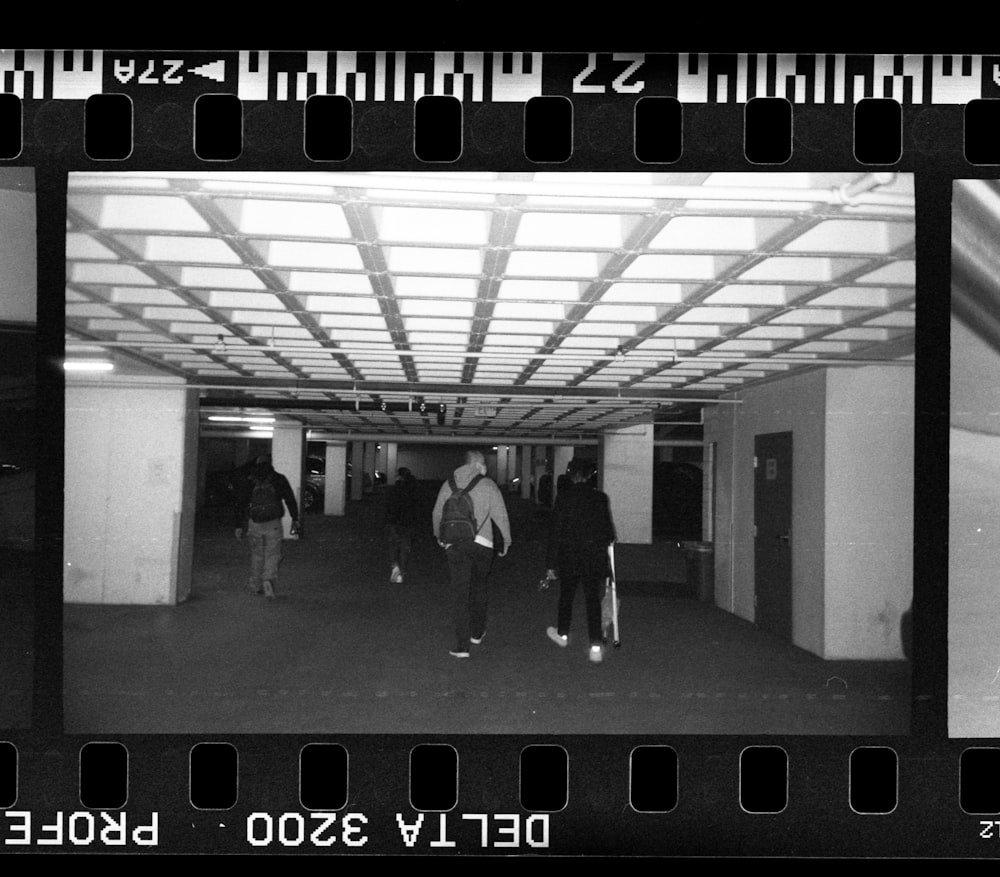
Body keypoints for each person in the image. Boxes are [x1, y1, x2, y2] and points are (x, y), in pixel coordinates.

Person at [432, 450, 512, 658]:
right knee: (479, 587)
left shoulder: (448, 485)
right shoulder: (488, 485)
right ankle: (477, 633)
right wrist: (506, 541)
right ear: (477, 464)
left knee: (460, 593)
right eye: (484, 463)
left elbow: (437, 513)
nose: (486, 466)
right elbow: (500, 515)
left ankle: (462, 646)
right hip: (483, 544)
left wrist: (440, 537)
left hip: (455, 544)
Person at [543, 457, 616, 663]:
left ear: (571, 475)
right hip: (593, 558)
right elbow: (609, 533)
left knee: (566, 597)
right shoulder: (600, 498)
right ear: (589, 475)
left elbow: (555, 533)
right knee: (592, 600)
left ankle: (563, 634)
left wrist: (550, 564)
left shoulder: (563, 498)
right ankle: (595, 645)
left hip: (569, 557)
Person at [233, 455, 300, 599]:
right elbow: (290, 499)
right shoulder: (278, 479)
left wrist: (239, 525)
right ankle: (268, 579)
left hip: (254, 523)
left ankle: (256, 585)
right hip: (273, 523)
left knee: (257, 555)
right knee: (273, 553)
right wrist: (295, 518)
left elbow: (241, 503)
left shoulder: (250, 480)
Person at [386, 467, 418, 584]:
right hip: (408, 521)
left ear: (399, 476)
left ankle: (394, 566)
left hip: (394, 521)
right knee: (405, 546)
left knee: (393, 544)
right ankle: (402, 570)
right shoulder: (413, 489)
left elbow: (389, 506)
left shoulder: (394, 489)